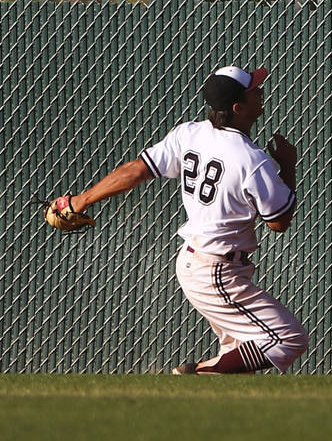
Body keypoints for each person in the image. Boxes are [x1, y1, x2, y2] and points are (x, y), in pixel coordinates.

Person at [52, 65, 308, 374]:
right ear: (238, 107)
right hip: (217, 271)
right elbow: (278, 223)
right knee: (288, 339)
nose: (261, 92)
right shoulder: (252, 160)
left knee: (240, 357)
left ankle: (208, 398)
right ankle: (196, 372)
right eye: (254, 90)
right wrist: (289, 168)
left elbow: (136, 170)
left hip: (199, 263)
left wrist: (78, 201)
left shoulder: (190, 133)